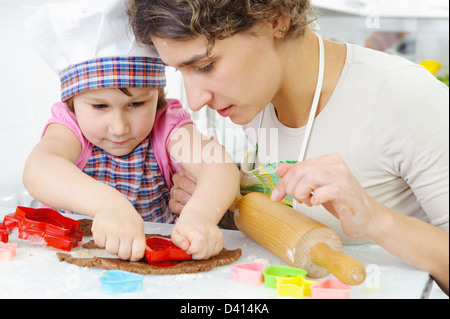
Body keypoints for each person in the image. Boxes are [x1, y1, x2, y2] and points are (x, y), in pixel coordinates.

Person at [127, 0, 449, 294]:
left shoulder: (403, 97)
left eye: (206, 66)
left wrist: (376, 220)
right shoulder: (255, 103)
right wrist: (220, 205)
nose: (195, 101)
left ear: (275, 18)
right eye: (180, 71)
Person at [22, 0, 239, 262]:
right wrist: (108, 205)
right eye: (100, 106)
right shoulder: (70, 128)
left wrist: (200, 216)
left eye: (136, 104)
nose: (119, 127)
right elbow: (39, 169)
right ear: (73, 104)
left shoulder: (165, 126)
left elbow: (219, 165)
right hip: (69, 265)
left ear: (157, 96)